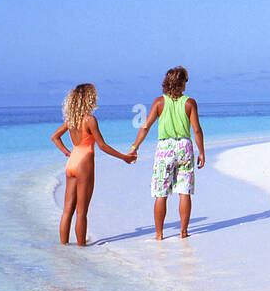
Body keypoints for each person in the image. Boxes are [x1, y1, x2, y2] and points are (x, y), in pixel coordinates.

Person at [51, 83, 137, 245]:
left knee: (67, 210)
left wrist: (67, 153)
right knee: (81, 212)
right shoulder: (89, 120)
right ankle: (82, 248)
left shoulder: (71, 121)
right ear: (89, 100)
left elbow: (55, 137)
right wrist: (124, 157)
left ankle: (63, 248)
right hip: (84, 163)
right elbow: (102, 146)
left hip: (71, 163)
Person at [131, 66, 206, 239]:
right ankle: (183, 232)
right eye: (186, 80)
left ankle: (159, 234)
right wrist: (201, 152)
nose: (186, 83)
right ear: (181, 82)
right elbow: (196, 130)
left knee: (161, 192)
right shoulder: (189, 103)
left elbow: (145, 127)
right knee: (184, 191)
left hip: (165, 149)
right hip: (184, 147)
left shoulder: (159, 102)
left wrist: (135, 147)